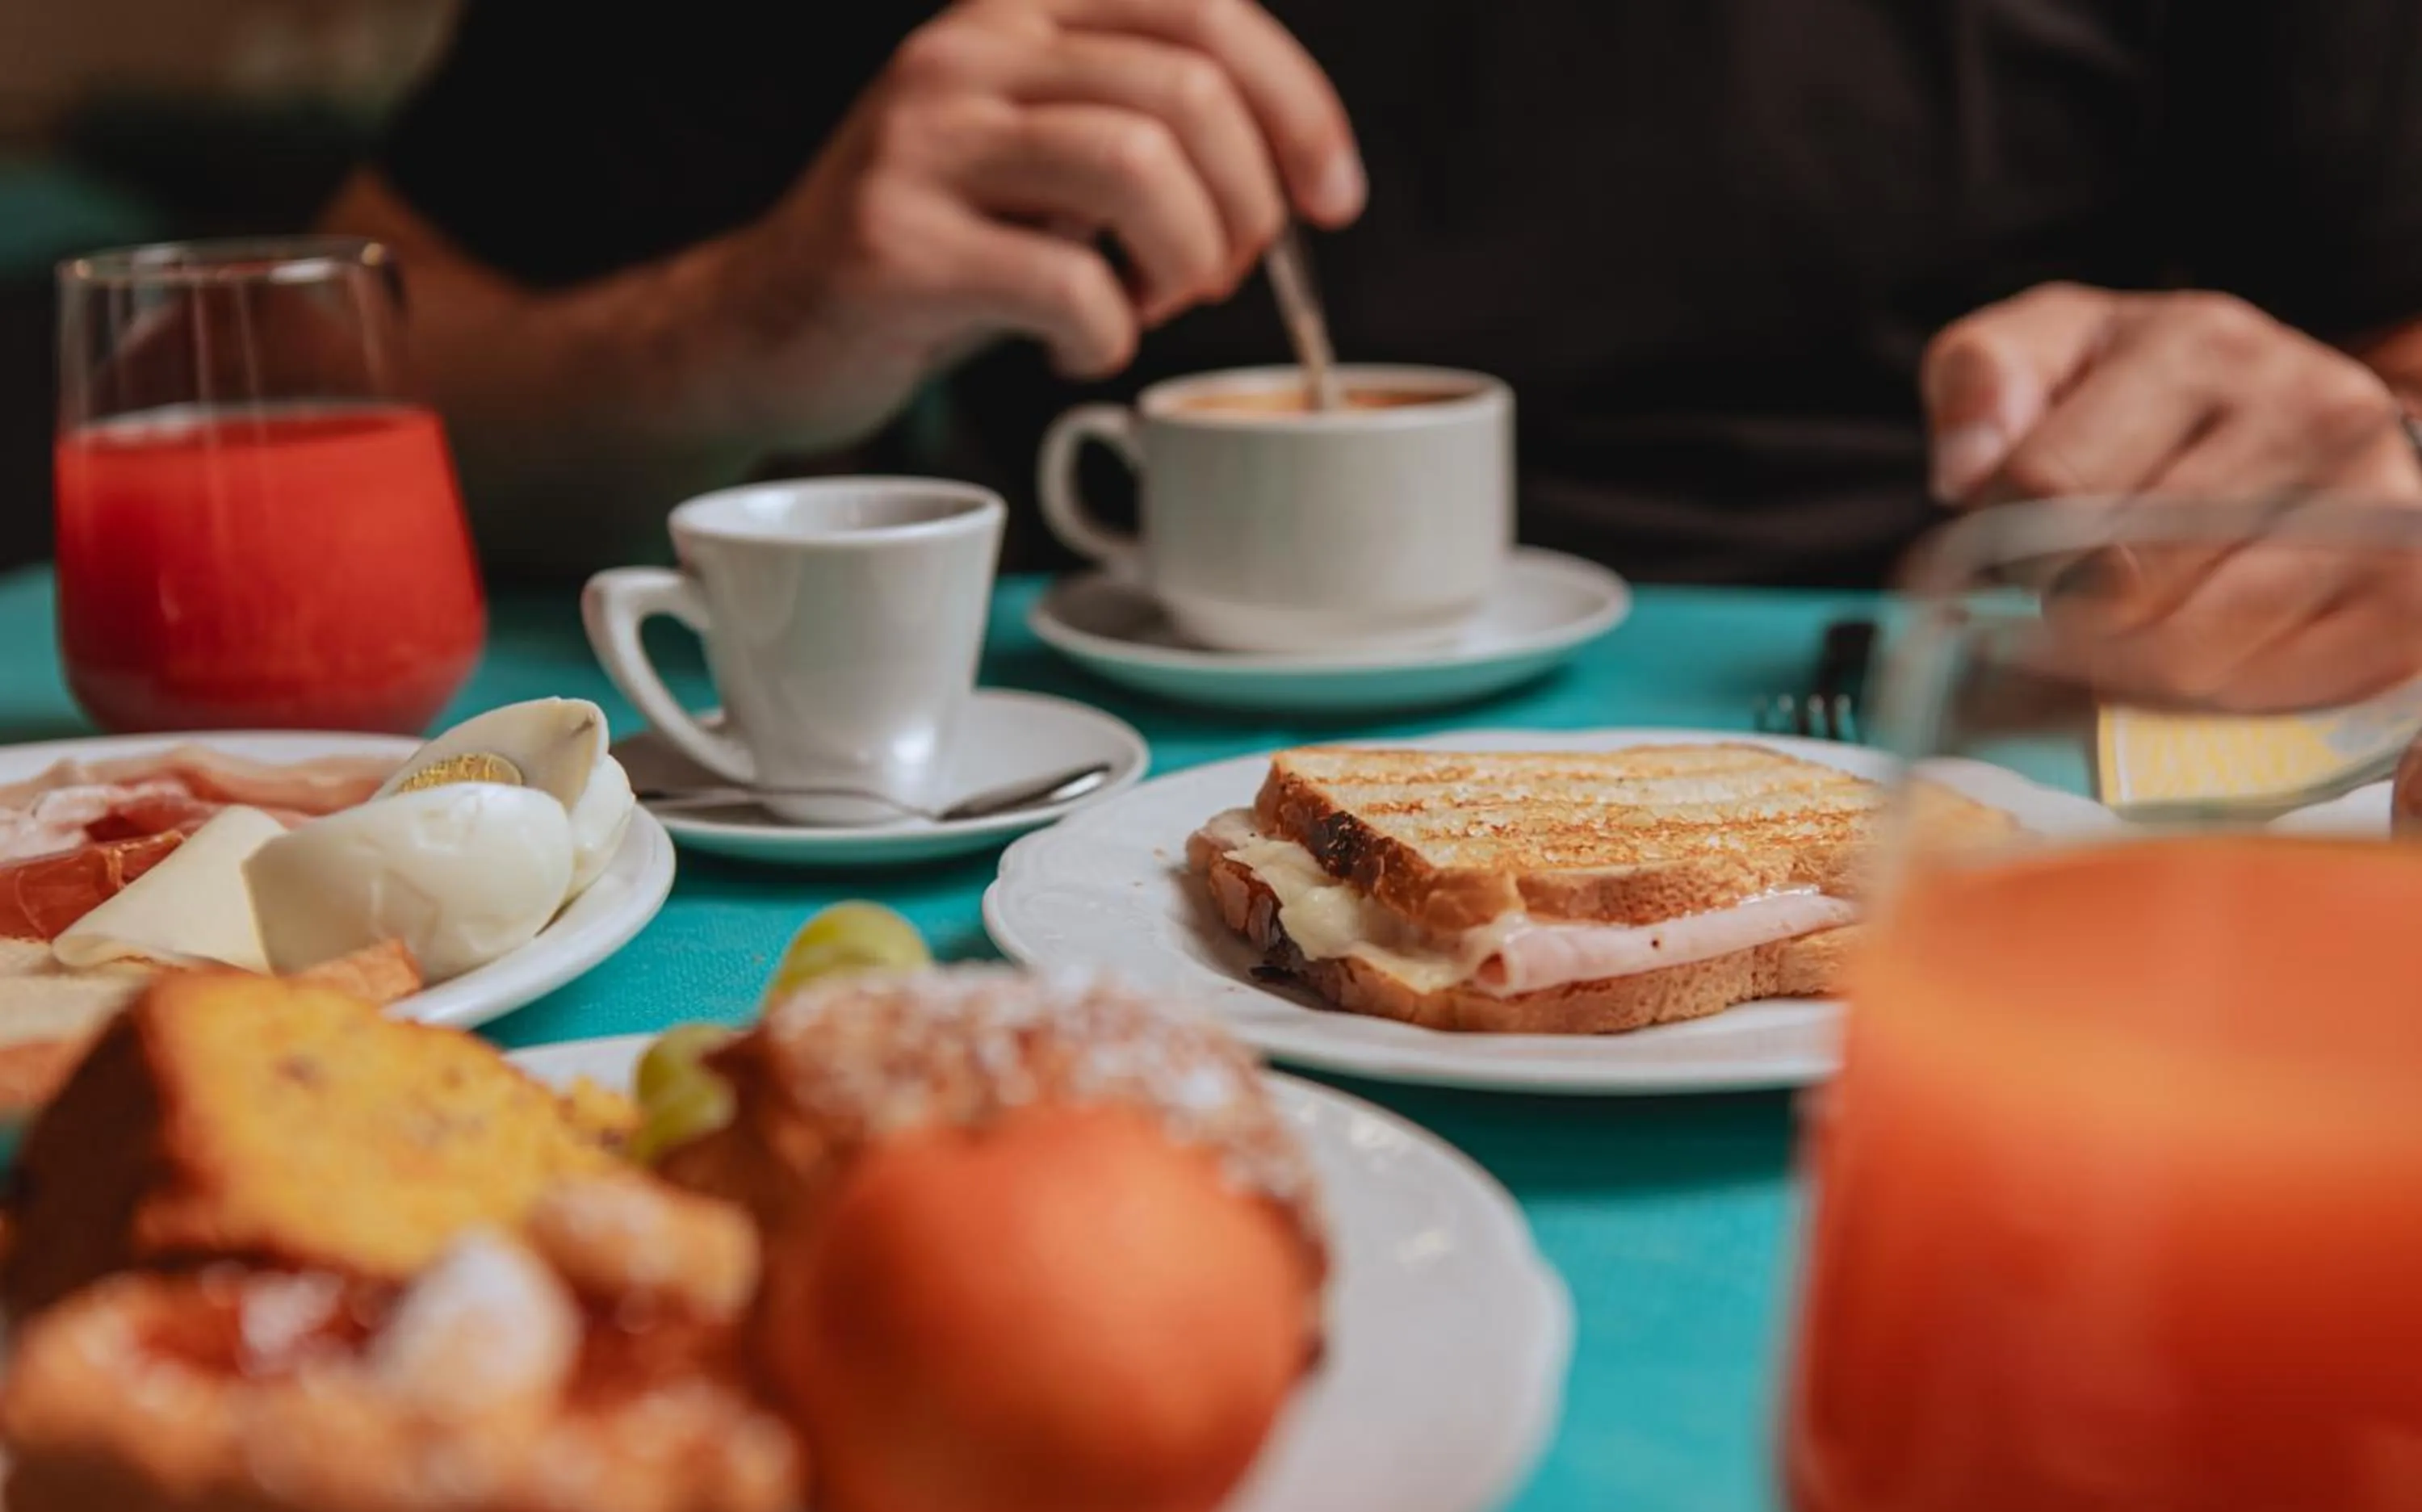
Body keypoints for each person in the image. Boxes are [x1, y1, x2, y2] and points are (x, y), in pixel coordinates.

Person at [327, 1, 2422, 601]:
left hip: (2006, 766)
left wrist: (2337, 451)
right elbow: (334, 374)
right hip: (1077, 812)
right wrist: (751, 315)